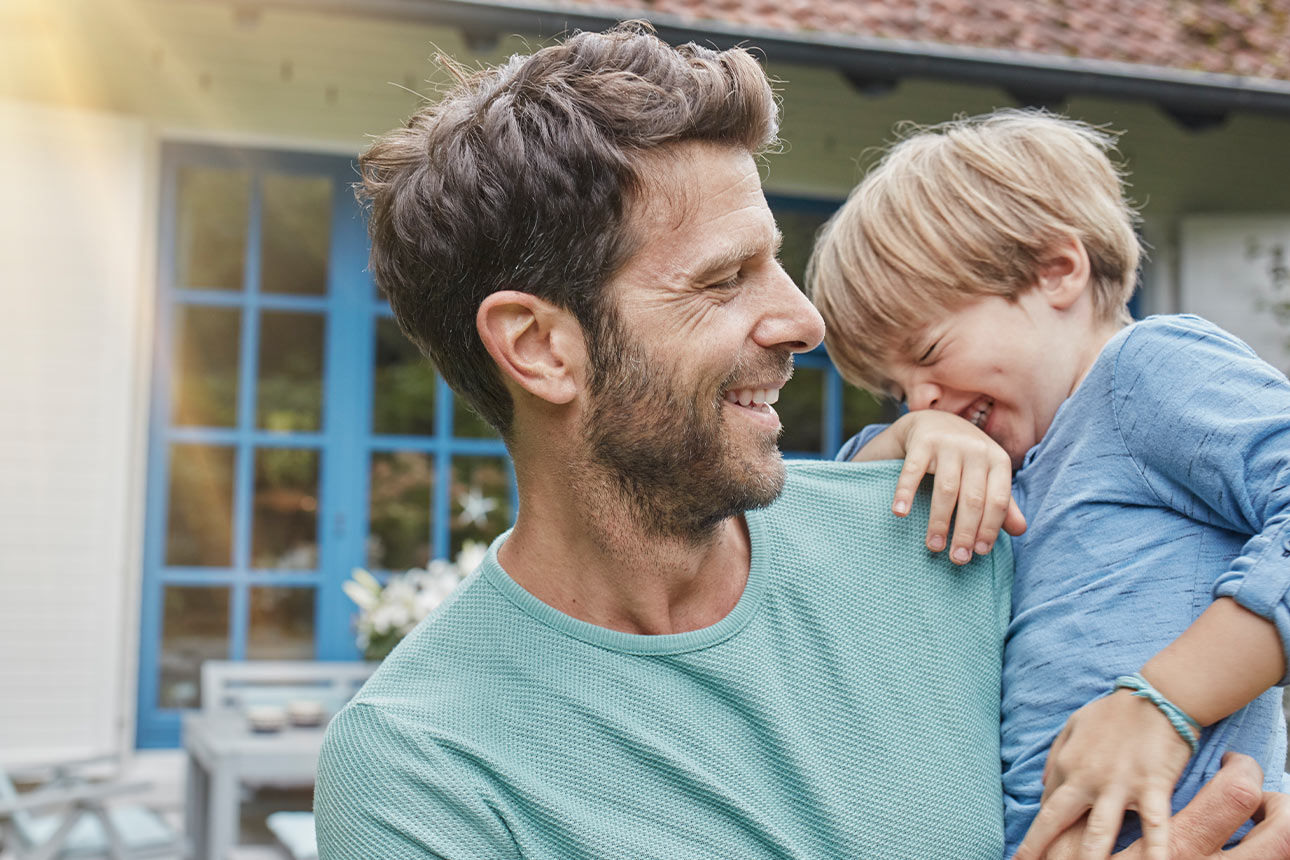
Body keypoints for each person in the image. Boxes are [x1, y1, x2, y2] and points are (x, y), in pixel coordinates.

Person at [315, 26, 1288, 860]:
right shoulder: (422, 766)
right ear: (539, 347)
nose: (802, 320)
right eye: (723, 279)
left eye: (775, 262)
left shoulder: (946, 528)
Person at [808, 109, 1290, 860]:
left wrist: (1162, 704)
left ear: (1057, 270)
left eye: (930, 351)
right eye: (896, 390)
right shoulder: (1007, 467)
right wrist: (901, 442)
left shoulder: (1141, 375)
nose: (921, 398)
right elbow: (814, 532)